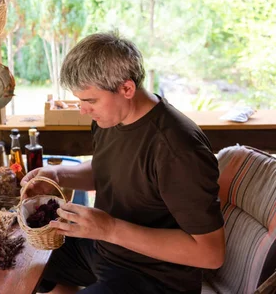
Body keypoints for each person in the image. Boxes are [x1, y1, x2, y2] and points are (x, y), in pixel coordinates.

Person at [23, 33, 225, 294]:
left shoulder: (178, 148)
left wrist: (109, 228)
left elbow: (210, 253)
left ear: (127, 89)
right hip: (105, 250)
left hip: (154, 275)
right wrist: (58, 175)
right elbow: (108, 169)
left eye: (90, 100)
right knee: (29, 263)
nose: (83, 110)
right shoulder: (111, 118)